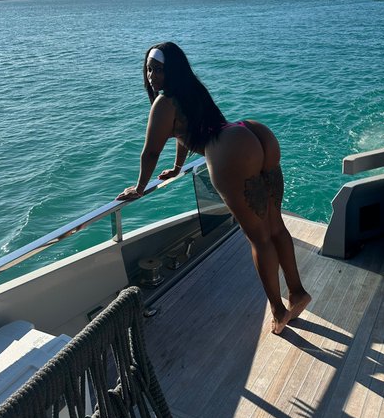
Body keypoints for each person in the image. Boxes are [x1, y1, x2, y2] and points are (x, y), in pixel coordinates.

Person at [117, 42, 311, 335]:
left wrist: (140, 187)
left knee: (259, 237)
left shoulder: (163, 103)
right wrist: (178, 167)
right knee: (275, 226)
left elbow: (151, 152)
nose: (151, 76)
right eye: (148, 69)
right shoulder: (192, 89)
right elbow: (185, 132)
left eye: (158, 69)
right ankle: (297, 292)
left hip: (229, 152)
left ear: (172, 71)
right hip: (250, 132)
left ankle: (278, 310)